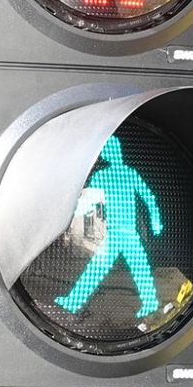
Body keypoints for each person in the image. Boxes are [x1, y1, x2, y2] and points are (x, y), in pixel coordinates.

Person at [55, 135, 163, 320]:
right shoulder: (116, 174)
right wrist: (155, 220)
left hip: (124, 233)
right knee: (108, 268)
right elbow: (88, 201)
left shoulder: (111, 175)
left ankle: (73, 302)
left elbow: (147, 196)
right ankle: (73, 302)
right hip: (119, 233)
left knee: (121, 268)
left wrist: (156, 220)